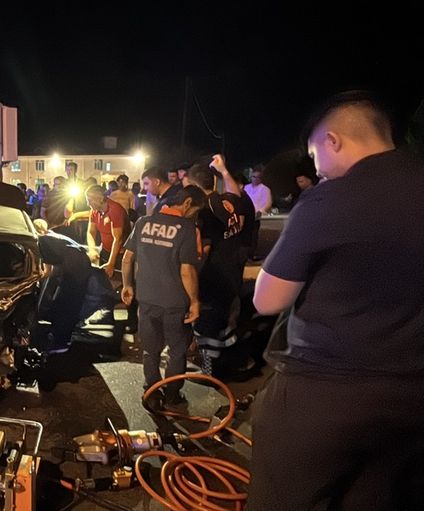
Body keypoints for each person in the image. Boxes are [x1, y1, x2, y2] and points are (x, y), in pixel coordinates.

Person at [249, 91, 424, 510]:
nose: (317, 169)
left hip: (325, 391)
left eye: (315, 155)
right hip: (412, 396)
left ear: (333, 140)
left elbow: (268, 300)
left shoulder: (329, 199)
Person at [121, 186, 205, 405]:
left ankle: (151, 391)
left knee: (150, 349)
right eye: (195, 211)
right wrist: (195, 301)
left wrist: (127, 285)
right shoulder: (187, 228)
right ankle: (172, 394)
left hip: (146, 298)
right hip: (174, 302)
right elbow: (187, 270)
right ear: (187, 203)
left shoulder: (143, 222)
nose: (194, 215)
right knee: (177, 351)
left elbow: (127, 258)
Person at [182, 155, 243, 374]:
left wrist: (191, 279)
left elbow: (203, 253)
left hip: (213, 278)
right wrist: (223, 171)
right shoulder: (227, 203)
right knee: (225, 324)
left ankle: (211, 374)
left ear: (194, 186)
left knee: (208, 327)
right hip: (232, 273)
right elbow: (236, 195)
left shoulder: (204, 213)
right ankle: (231, 365)